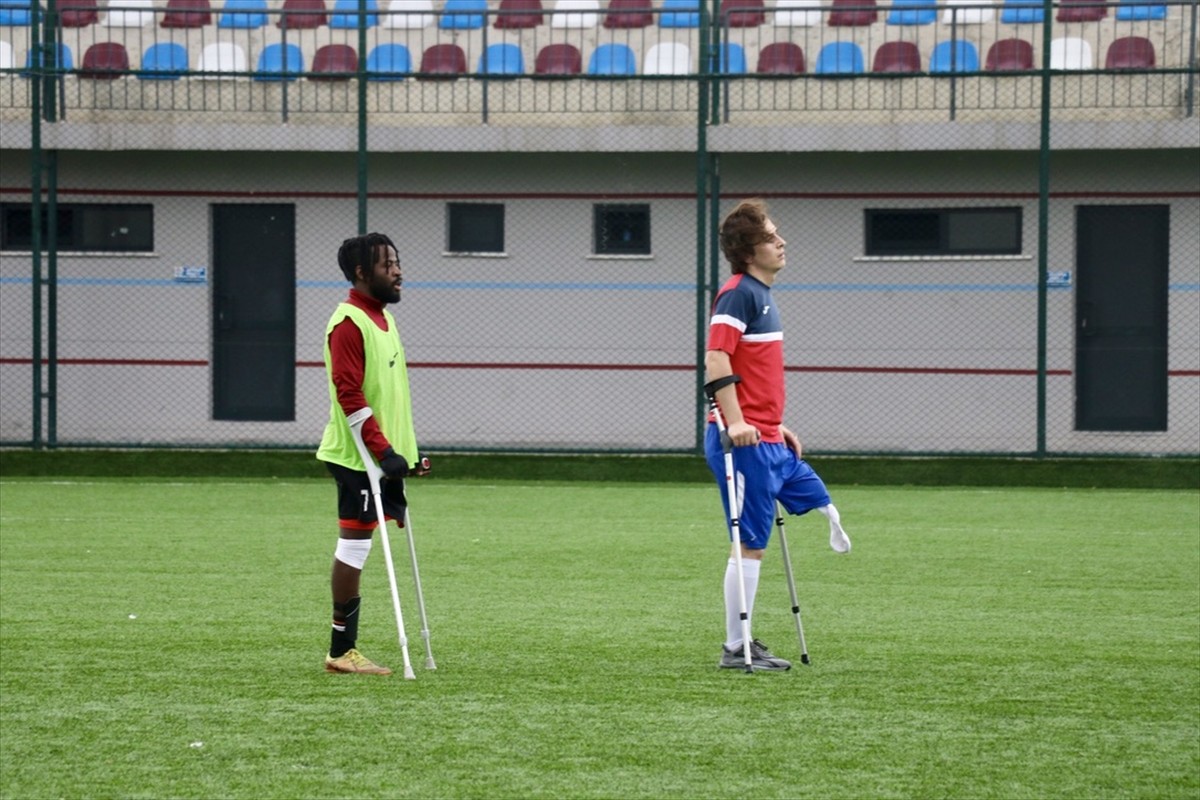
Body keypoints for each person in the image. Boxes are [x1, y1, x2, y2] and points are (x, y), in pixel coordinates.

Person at [704, 199, 851, 673]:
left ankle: (742, 641)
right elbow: (716, 360)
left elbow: (751, 370)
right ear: (748, 250)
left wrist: (771, 423)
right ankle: (735, 647)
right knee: (749, 542)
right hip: (740, 443)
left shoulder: (760, 294)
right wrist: (739, 422)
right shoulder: (737, 294)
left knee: (785, 517)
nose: (781, 241)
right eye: (769, 236)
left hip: (765, 438)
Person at [316, 232, 429, 676]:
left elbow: (392, 397)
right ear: (363, 273)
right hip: (355, 457)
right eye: (388, 265)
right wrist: (382, 452)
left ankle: (342, 651)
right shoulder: (348, 323)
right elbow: (349, 394)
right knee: (355, 547)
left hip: (381, 457)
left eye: (398, 262)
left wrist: (408, 456)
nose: (398, 271)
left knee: (360, 545)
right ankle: (341, 651)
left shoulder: (384, 319)